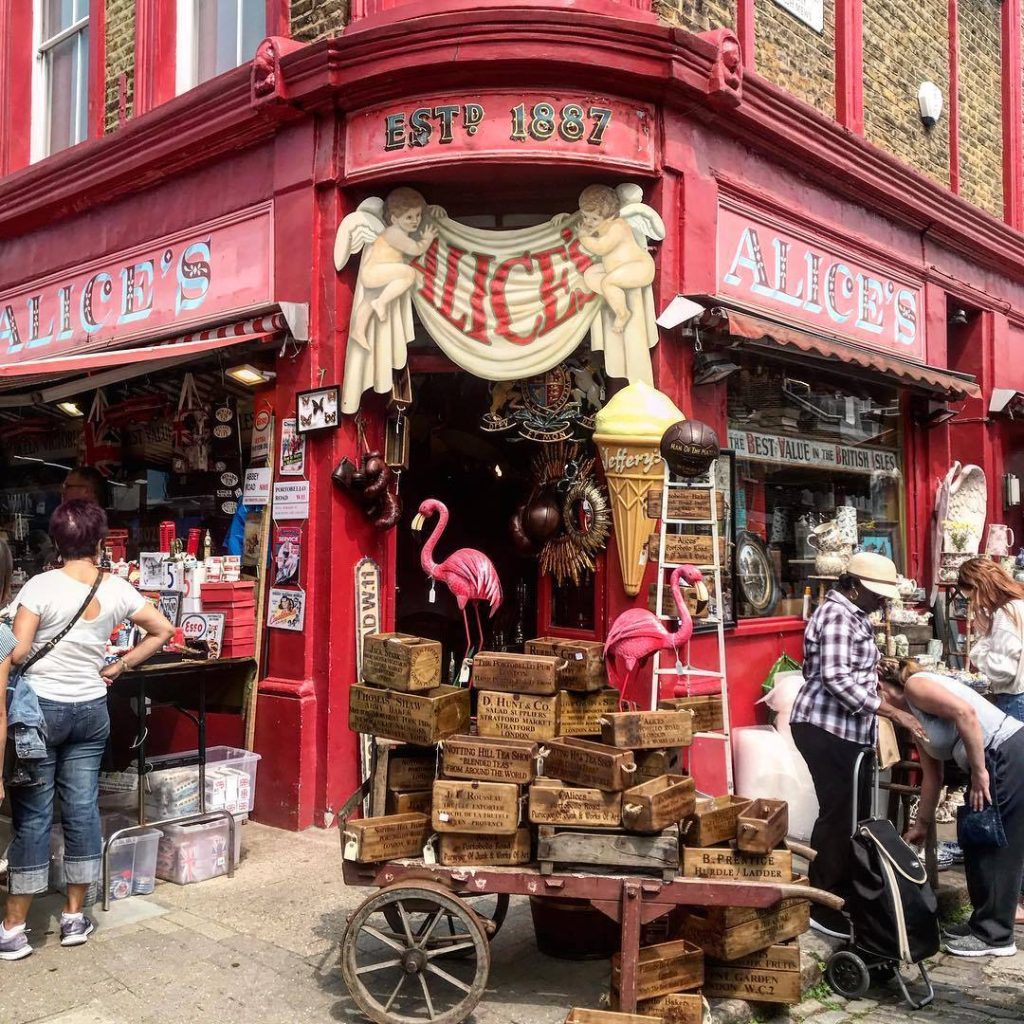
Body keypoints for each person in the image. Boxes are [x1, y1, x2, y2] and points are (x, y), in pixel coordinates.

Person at [0, 500, 175, 960]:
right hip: (91, 709)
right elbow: (163, 629)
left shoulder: (40, 585)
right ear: (100, 542)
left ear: (56, 541)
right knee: (80, 809)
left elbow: (16, 654)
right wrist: (119, 665)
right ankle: (76, 917)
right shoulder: (117, 588)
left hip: (41, 712)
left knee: (34, 816)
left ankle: (15, 927)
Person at [790, 551, 920, 937]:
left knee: (854, 814)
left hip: (847, 729)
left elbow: (841, 669)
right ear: (854, 586)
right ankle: (821, 898)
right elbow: (835, 679)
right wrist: (894, 712)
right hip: (825, 727)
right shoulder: (835, 615)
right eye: (876, 593)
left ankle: (843, 892)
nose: (882, 601)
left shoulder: (855, 615)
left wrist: (874, 669)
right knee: (838, 813)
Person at [881, 658, 1024, 957]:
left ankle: (996, 936)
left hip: (1002, 753)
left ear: (881, 687)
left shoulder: (916, 687)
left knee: (994, 844)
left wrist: (979, 771)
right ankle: (982, 923)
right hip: (990, 760)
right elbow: (933, 775)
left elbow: (966, 714)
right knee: (975, 840)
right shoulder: (912, 717)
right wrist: (921, 824)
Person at [957, 556, 1024, 923]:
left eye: (969, 594)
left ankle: (1011, 898)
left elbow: (1003, 667)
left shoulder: (1005, 614)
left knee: (1009, 803)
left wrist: (980, 642)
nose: (971, 604)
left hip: (1016, 702)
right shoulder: (1020, 604)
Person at [577, 184, 656, 334]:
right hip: (616, 268)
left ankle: (622, 313)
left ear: (611, 217)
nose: (587, 222)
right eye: (585, 216)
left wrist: (583, 237)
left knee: (608, 282)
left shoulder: (618, 227)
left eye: (594, 218)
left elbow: (601, 248)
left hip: (639, 266)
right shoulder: (601, 224)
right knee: (589, 275)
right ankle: (614, 296)